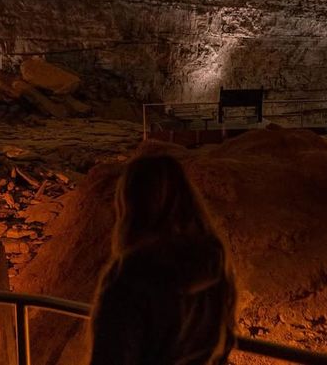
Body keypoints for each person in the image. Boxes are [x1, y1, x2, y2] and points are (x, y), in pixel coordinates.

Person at [89, 154, 237, 365]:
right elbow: (225, 341)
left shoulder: (130, 276)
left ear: (130, 207)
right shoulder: (215, 262)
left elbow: (112, 356)